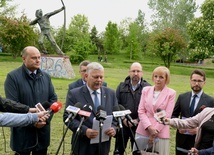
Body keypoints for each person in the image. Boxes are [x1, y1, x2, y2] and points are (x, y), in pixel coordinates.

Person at [4, 46, 57, 155]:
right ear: (24, 59)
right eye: (34, 58)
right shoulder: (13, 77)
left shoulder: (46, 77)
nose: (38, 60)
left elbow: (53, 99)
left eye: (39, 57)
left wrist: (45, 119)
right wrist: (33, 121)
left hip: (42, 133)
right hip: (23, 133)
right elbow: (12, 104)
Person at [63, 62, 118, 155]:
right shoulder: (75, 94)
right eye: (96, 77)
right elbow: (67, 117)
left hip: (103, 145)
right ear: (86, 76)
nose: (99, 80)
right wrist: (85, 131)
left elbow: (115, 117)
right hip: (83, 145)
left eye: (101, 77)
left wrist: (113, 128)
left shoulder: (111, 93)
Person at [133, 66, 176, 155]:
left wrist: (154, 131)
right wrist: (149, 127)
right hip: (143, 130)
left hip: (160, 133)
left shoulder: (171, 93)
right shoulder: (146, 90)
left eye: (161, 77)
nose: (158, 79)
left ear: (166, 79)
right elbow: (141, 110)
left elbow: (167, 115)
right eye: (156, 76)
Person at [172, 69, 214, 155]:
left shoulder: (211, 101)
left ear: (204, 82)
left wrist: (198, 130)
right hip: (181, 139)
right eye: (194, 80)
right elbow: (173, 115)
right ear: (190, 81)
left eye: (199, 81)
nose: (196, 83)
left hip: (198, 143)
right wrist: (179, 127)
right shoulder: (182, 97)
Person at [115, 62, 150, 154]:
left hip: (140, 126)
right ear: (129, 72)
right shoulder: (121, 86)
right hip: (123, 125)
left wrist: (137, 120)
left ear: (142, 73)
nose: (135, 73)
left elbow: (149, 108)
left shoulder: (148, 88)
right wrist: (123, 119)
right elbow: (116, 104)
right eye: (133, 71)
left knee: (137, 152)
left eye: (138, 71)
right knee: (119, 151)